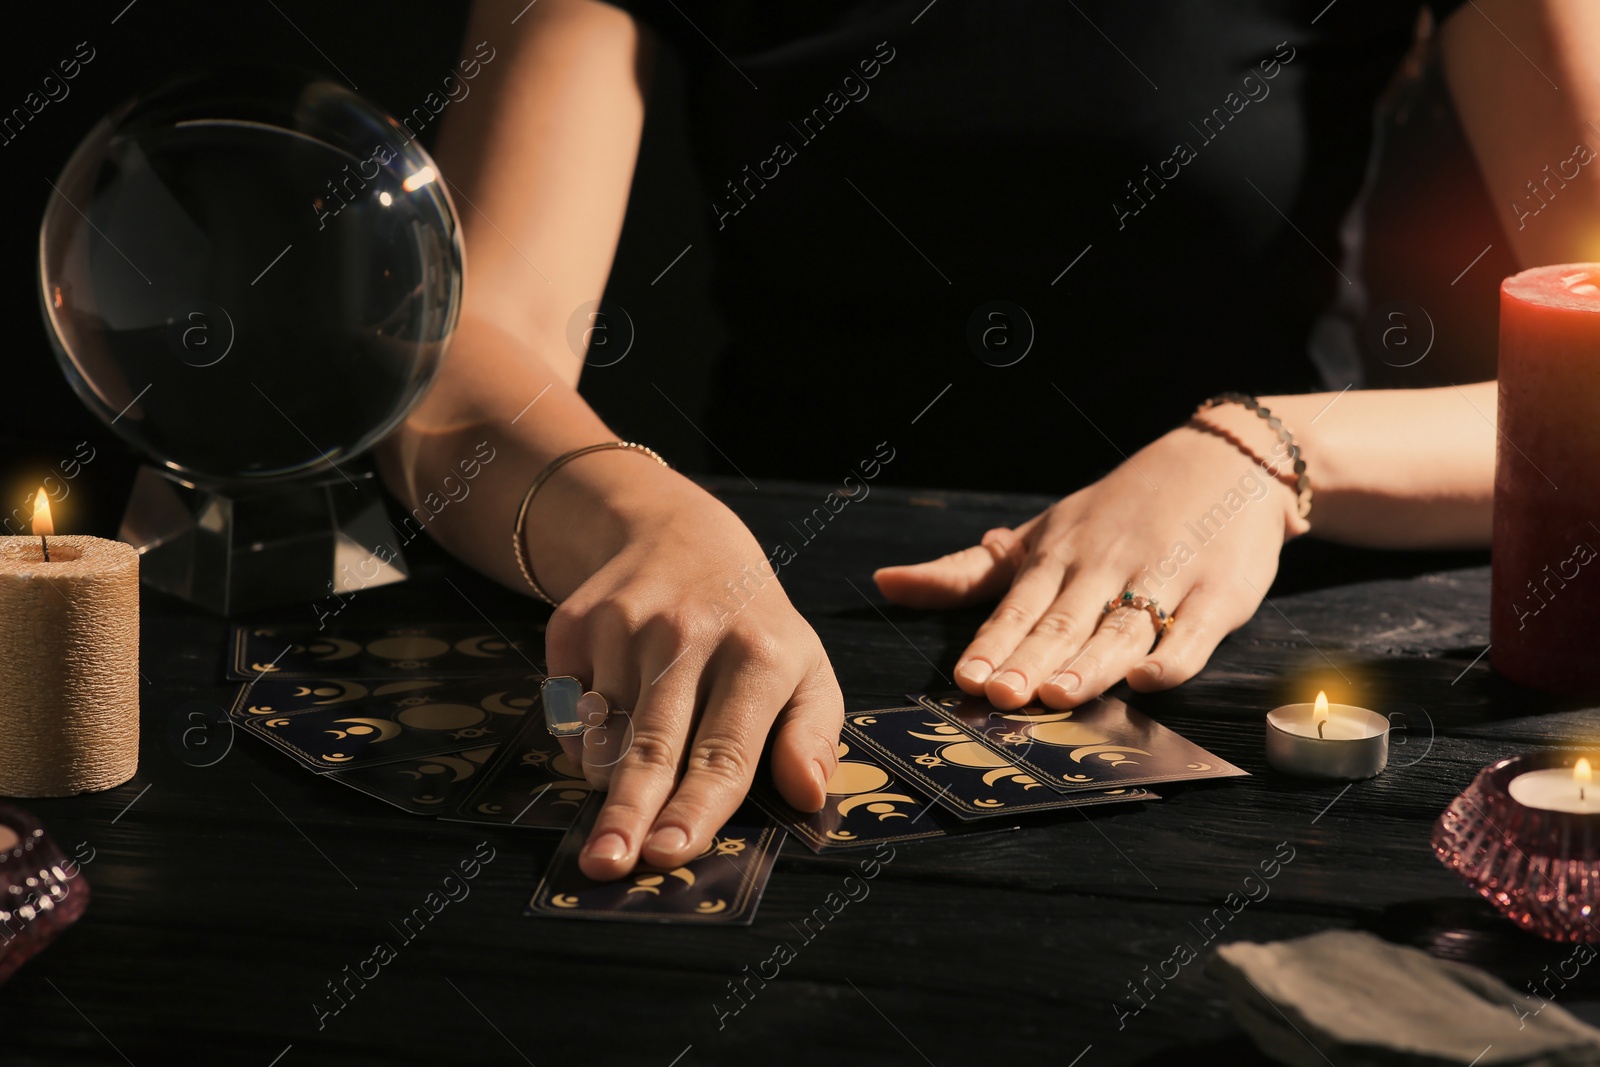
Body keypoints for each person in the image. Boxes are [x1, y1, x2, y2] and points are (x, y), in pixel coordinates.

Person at [378, 0, 1595, 878]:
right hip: (771, 614)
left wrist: (1266, 457)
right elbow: (462, 352)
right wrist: (640, 519)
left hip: (1243, 648)